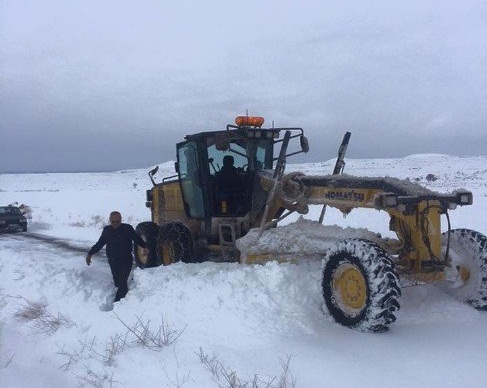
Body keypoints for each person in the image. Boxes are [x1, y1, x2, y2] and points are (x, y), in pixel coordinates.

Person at [86, 211, 149, 302]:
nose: (115, 224)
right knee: (117, 282)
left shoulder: (127, 229)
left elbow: (137, 239)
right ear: (110, 221)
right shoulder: (107, 230)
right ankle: (124, 294)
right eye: (113, 222)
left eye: (117, 221)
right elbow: (100, 243)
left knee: (123, 282)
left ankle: (118, 303)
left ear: (121, 220)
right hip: (113, 261)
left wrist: (145, 246)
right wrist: (90, 254)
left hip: (126, 260)